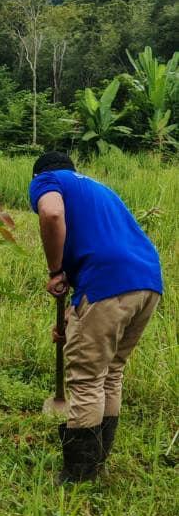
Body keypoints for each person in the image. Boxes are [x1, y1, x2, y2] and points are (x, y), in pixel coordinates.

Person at [30, 151, 164, 482]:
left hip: (109, 282)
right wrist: (72, 322)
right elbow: (101, 248)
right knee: (110, 372)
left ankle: (79, 476)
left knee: (87, 378)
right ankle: (98, 460)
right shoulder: (99, 190)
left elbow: (50, 214)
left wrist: (55, 270)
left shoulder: (47, 180)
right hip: (147, 281)